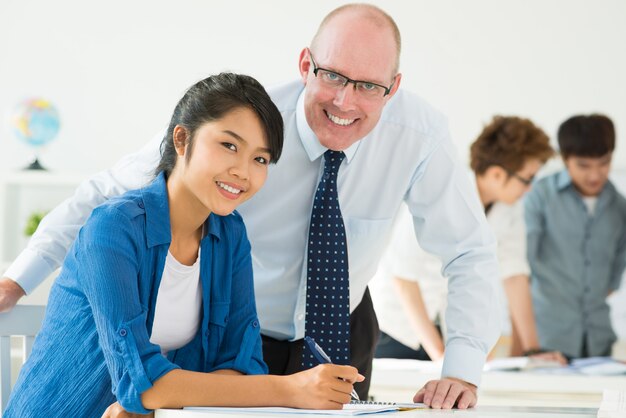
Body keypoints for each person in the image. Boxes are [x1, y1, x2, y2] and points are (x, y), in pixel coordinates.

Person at [0, 4, 500, 409]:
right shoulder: (243, 119)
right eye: (332, 77)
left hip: (326, 331)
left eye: (369, 86)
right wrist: (17, 278)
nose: (346, 101)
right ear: (306, 65)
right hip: (239, 334)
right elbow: (106, 191)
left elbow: (469, 251)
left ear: (393, 87)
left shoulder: (418, 136)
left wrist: (461, 369)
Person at [5, 73, 363, 418]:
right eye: (229, 145)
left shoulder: (230, 235)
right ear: (182, 140)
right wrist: (290, 390)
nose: (243, 171)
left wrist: (161, 400)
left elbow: (243, 364)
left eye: (260, 159)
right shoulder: (113, 229)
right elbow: (141, 383)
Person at [371, 116, 567, 365]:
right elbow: (403, 279)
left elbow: (514, 274)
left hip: (445, 324)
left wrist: (531, 349)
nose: (529, 188)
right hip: (398, 329)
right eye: (527, 179)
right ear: (497, 174)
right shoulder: (439, 192)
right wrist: (440, 357)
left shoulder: (509, 208)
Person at [525, 114, 626, 359]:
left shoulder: (619, 206)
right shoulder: (539, 196)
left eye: (603, 163)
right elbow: (523, 263)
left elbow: (615, 274)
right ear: (565, 159)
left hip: (599, 343)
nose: (595, 175)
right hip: (547, 342)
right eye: (583, 165)